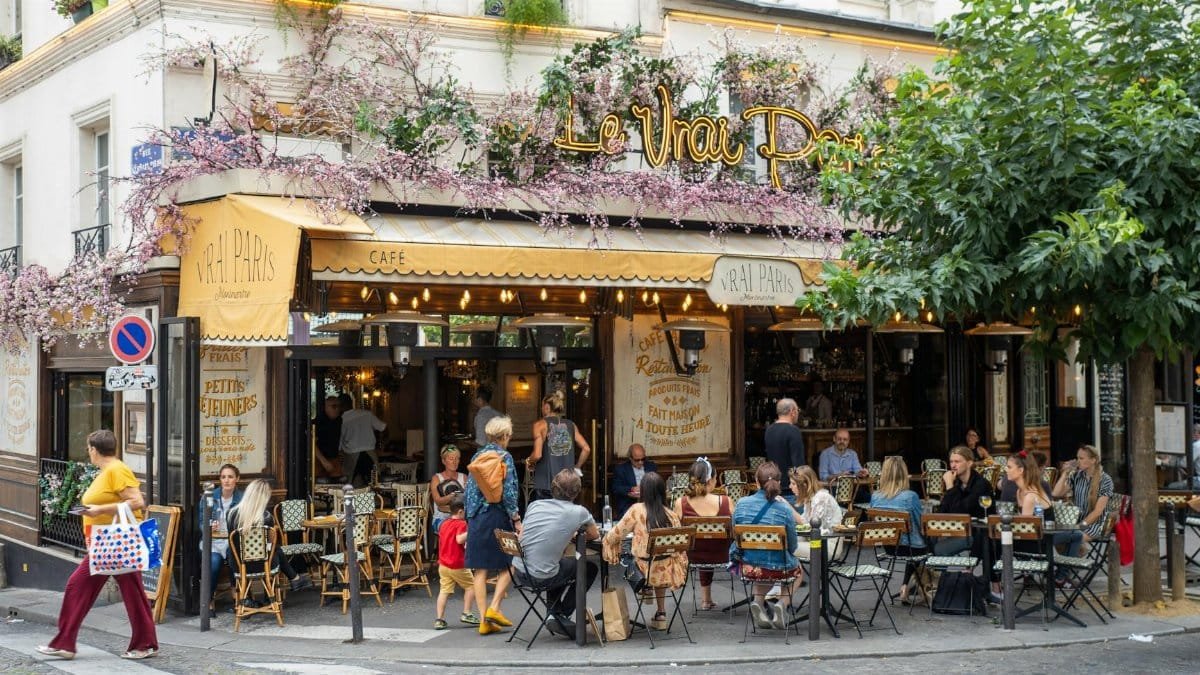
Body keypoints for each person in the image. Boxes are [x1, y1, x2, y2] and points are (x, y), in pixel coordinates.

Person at [38, 430, 159, 661]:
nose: (88, 452)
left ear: (94, 449)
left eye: (88, 448)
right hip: (108, 543)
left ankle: (67, 642)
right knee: (129, 592)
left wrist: (99, 510)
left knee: (79, 585)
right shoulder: (108, 470)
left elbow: (137, 502)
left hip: (115, 542)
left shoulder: (117, 469)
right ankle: (67, 642)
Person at [513, 469, 600, 636]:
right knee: (589, 568)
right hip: (540, 575)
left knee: (558, 563)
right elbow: (594, 535)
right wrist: (573, 533)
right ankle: (559, 614)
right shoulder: (579, 511)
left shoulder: (534, 504)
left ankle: (554, 615)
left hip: (520, 570)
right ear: (577, 491)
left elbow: (524, 535)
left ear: (553, 488)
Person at [603, 472, 687, 631]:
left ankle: (645, 588)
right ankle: (661, 612)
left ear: (644, 491)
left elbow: (617, 533)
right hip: (667, 571)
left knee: (630, 557)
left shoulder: (636, 510)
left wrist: (606, 540)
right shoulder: (672, 515)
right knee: (660, 559)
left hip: (644, 571)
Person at [465, 415, 522, 636]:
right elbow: (508, 493)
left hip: (477, 518)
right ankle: (494, 608)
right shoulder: (504, 457)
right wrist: (516, 518)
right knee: (512, 560)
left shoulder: (477, 456)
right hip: (498, 516)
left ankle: (483, 620)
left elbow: (470, 492)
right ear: (505, 436)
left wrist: (470, 519)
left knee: (480, 569)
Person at [731, 461, 800, 630]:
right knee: (798, 571)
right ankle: (782, 603)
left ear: (756, 481)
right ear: (779, 481)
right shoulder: (784, 509)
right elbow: (792, 546)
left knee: (760, 565)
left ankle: (758, 602)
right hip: (778, 566)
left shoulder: (741, 504)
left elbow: (735, 535)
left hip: (749, 566)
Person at [226, 479, 312, 595]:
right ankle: (289, 582)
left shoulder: (231, 515)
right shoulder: (267, 518)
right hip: (264, 566)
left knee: (230, 551)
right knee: (275, 549)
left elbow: (233, 543)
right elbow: (269, 547)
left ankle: (247, 599)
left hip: (239, 566)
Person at [672, 457, 731, 611]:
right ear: (711, 480)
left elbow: (676, 531)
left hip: (693, 556)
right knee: (711, 542)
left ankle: (706, 600)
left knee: (701, 543)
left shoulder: (681, 503)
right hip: (723, 555)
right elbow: (736, 528)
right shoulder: (726, 501)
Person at [869, 456, 928, 604]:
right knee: (928, 545)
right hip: (912, 548)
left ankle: (905, 588)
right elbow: (921, 524)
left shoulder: (875, 497)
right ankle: (924, 589)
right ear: (904, 473)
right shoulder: (911, 496)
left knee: (911, 542)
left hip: (889, 547)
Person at [528, 391, 591, 501]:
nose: (542, 409)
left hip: (546, 483)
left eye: (542, 406)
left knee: (547, 516)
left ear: (547, 407)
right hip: (567, 483)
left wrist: (529, 461)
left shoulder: (540, 425)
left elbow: (537, 455)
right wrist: (577, 466)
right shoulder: (571, 425)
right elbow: (586, 448)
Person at [200, 464, 243, 614]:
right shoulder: (209, 497)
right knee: (214, 562)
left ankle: (237, 597)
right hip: (214, 542)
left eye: (230, 477)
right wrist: (208, 527)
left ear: (237, 479)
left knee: (234, 558)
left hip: (232, 541)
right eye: (223, 477)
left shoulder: (241, 498)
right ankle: (208, 600)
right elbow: (201, 522)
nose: (227, 480)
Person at [935, 446, 993, 556]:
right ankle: (933, 572)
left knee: (938, 549)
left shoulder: (980, 484)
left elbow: (960, 512)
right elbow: (942, 511)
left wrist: (949, 487)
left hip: (977, 534)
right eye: (951, 461)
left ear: (969, 463)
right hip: (955, 530)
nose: (953, 465)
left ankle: (934, 571)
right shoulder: (956, 482)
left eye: (957, 461)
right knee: (928, 540)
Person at [1052, 444, 1115, 543]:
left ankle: (1078, 552)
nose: (1077, 461)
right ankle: (1079, 552)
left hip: (1097, 523)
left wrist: (1080, 527)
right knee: (1057, 538)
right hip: (1077, 521)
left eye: (1081, 458)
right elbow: (1056, 493)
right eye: (1077, 458)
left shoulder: (1105, 480)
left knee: (1068, 539)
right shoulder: (1077, 476)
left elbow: (1098, 512)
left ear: (1093, 460)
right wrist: (1065, 474)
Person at [433, 496, 478, 629]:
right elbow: (459, 540)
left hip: (443, 564)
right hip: (457, 564)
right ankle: (467, 613)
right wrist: (472, 531)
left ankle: (439, 619)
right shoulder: (462, 524)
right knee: (472, 586)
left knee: (444, 591)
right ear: (460, 512)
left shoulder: (444, 523)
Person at [789, 465, 843, 561]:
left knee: (787, 547)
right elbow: (804, 523)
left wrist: (788, 508)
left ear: (804, 485)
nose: (790, 487)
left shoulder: (821, 498)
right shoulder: (811, 499)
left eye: (793, 484)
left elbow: (812, 529)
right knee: (782, 543)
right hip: (817, 541)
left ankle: (792, 575)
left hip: (827, 546)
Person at [339, 393, 385, 487]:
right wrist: (382, 443)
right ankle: (375, 501)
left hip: (352, 456)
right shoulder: (367, 414)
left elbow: (339, 445)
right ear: (351, 403)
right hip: (370, 454)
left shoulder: (341, 420)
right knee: (374, 484)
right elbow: (384, 428)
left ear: (341, 406)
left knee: (350, 487)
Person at [764, 398, 805, 503]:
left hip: (774, 484)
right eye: (797, 410)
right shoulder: (793, 431)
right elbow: (798, 462)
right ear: (792, 411)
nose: (798, 413)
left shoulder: (769, 430)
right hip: (790, 488)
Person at [430, 444, 468, 534]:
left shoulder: (464, 477)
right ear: (443, 461)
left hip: (461, 517)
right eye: (451, 459)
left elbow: (468, 500)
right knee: (454, 529)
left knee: (472, 528)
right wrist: (454, 496)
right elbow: (438, 501)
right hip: (441, 518)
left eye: (457, 458)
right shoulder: (436, 478)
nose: (455, 462)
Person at [612, 443, 656, 519]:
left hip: (649, 503)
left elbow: (656, 484)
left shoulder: (651, 466)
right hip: (629, 505)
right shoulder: (621, 469)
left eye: (643, 459)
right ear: (630, 458)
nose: (640, 462)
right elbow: (616, 488)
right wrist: (631, 489)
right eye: (637, 460)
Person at [311, 396, 342, 481]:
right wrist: (323, 461)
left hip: (334, 459)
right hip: (319, 460)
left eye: (339, 406)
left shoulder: (339, 420)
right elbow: (312, 442)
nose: (337, 409)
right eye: (334, 406)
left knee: (338, 483)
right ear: (326, 407)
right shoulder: (318, 422)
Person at [1166, 424, 1200, 489]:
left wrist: (1174, 460)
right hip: (1196, 478)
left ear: (1196, 434)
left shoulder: (1197, 445)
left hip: (1198, 480)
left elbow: (1185, 463)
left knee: (1171, 486)